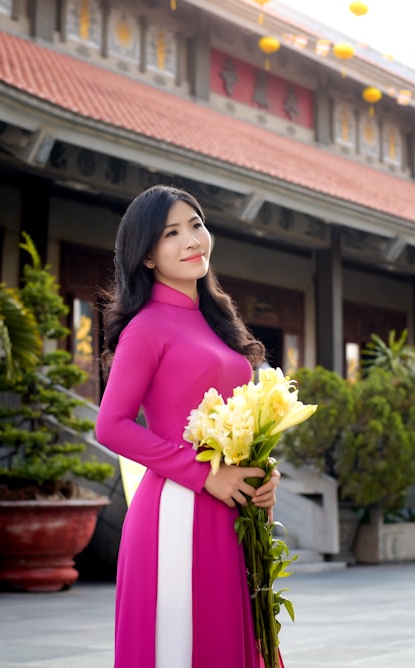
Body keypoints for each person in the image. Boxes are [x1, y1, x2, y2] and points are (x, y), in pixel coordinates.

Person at [94, 184, 280, 668]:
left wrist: (264, 472)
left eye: (195, 225)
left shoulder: (217, 322)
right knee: (186, 647)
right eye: (171, 233)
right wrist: (205, 475)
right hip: (179, 511)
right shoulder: (147, 326)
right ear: (148, 257)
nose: (191, 239)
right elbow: (111, 425)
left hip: (234, 512)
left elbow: (241, 417)